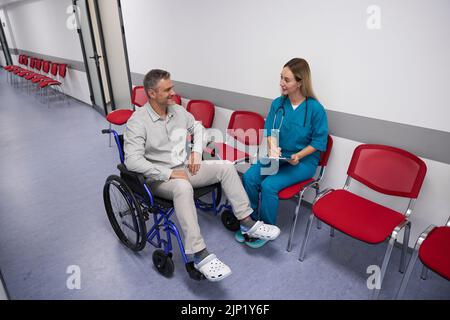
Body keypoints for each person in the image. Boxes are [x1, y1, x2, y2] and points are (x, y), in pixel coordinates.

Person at [124, 69, 280, 282]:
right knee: (183, 187)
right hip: (158, 178)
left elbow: (198, 128)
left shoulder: (177, 110)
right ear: (151, 93)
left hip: (184, 167)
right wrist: (169, 173)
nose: (173, 92)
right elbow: (132, 160)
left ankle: (246, 221)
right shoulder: (137, 121)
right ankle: (198, 254)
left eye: (172, 87)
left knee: (225, 166)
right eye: (167, 89)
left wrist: (197, 153)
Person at [241, 58, 328, 246]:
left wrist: (298, 155)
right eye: (281, 77)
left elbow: (319, 142)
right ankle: (252, 222)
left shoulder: (315, 109)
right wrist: (272, 147)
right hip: (279, 156)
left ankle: (267, 228)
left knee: (269, 186)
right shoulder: (278, 104)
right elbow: (270, 130)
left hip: (303, 162)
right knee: (249, 177)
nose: (281, 83)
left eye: (286, 80)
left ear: (300, 82)